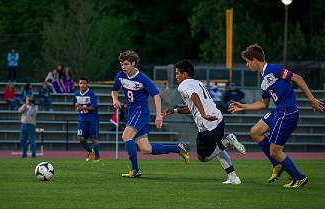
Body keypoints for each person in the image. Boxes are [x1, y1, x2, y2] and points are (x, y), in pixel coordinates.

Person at [229, 43, 325, 189]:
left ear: (255, 59)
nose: (247, 65)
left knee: (275, 151)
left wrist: (311, 99)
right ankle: (277, 165)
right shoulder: (264, 79)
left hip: (287, 113)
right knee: (255, 132)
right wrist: (243, 106)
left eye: (248, 62)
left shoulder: (273, 70)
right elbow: (263, 104)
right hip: (278, 111)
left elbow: (298, 78)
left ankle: (299, 177)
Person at [162, 60, 246, 184]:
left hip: (207, 125)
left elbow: (194, 96)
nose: (176, 76)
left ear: (185, 74)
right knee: (218, 149)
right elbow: (193, 106)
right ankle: (233, 178)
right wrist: (175, 110)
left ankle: (228, 141)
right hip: (218, 119)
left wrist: (203, 114)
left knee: (203, 157)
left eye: (177, 73)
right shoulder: (198, 83)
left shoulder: (183, 85)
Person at [111, 50, 189, 178]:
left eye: (126, 64)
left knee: (126, 136)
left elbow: (156, 96)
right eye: (121, 64)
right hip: (131, 113)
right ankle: (178, 148)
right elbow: (114, 90)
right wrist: (115, 99)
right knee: (146, 149)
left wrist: (158, 115)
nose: (123, 67)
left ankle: (135, 170)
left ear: (133, 63)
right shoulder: (120, 76)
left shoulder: (142, 78)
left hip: (141, 112)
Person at [74, 77, 101, 161]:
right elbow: (76, 105)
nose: (82, 85)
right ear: (78, 84)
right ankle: (90, 151)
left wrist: (82, 108)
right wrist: (78, 108)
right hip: (82, 120)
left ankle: (97, 157)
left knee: (94, 139)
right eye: (81, 83)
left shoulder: (91, 94)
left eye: (84, 83)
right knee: (80, 137)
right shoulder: (76, 94)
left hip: (92, 120)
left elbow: (94, 107)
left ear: (87, 84)